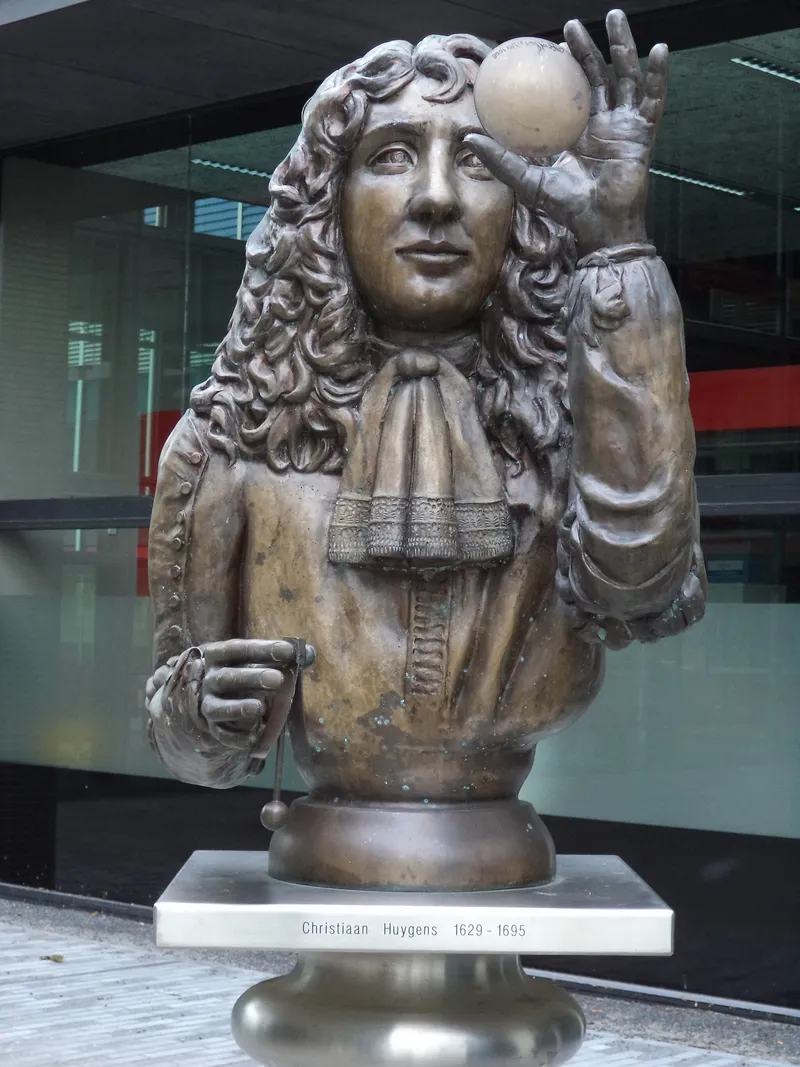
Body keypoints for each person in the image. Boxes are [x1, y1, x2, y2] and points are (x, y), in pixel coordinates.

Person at [145, 11, 706, 890]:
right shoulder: (229, 444)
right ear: (328, 204)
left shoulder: (572, 424)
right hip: (322, 849)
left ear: (526, 216)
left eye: (478, 160)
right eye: (393, 156)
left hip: (502, 840)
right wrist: (203, 715)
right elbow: (189, 732)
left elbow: (642, 582)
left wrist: (618, 250)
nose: (437, 197)